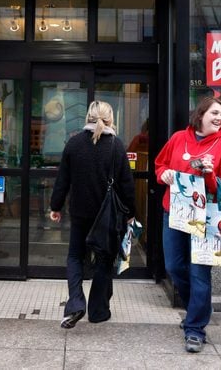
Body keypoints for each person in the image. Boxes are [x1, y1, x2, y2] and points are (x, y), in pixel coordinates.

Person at [155, 97, 221, 353]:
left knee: (199, 273)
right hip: (175, 214)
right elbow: (160, 166)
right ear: (200, 114)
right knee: (174, 266)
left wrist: (209, 174)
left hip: (208, 218)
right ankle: (199, 308)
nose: (219, 118)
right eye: (215, 113)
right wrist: (164, 175)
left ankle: (195, 329)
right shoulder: (179, 138)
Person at [50, 100, 135, 329]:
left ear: (87, 116)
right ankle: (98, 311)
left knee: (75, 256)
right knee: (104, 260)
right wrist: (131, 213)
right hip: (107, 216)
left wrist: (55, 207)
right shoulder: (116, 146)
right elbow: (127, 184)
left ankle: (76, 302)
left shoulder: (74, 143)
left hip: (80, 213)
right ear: (111, 118)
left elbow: (62, 180)